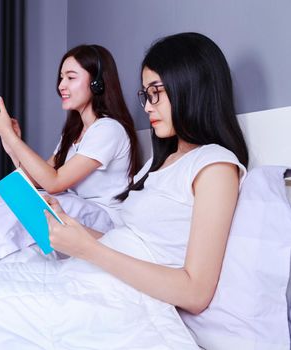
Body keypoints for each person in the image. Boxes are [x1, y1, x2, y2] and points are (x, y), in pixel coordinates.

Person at [44, 32, 249, 314]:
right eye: (145, 94)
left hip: (122, 302)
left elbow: (195, 292)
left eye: (157, 93)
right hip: (92, 281)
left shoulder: (214, 167)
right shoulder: (159, 162)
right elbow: (131, 244)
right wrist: (74, 231)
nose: (148, 106)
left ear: (191, 87)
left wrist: (88, 250)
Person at [0, 44, 139, 212]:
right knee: (7, 197)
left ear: (97, 83)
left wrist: (10, 136)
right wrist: (10, 141)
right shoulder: (74, 132)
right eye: (61, 78)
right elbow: (37, 181)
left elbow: (54, 183)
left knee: (13, 211)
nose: (61, 85)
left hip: (101, 217)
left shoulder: (109, 130)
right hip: (75, 211)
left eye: (71, 78)